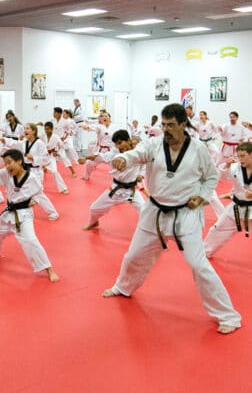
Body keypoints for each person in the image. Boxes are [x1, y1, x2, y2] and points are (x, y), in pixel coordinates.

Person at [101, 104, 241, 334]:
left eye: (171, 125)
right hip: (154, 211)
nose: (166, 129)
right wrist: (124, 159)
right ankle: (123, 286)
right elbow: (137, 154)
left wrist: (202, 197)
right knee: (134, 254)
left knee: (198, 264)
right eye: (163, 124)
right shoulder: (154, 144)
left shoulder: (198, 149)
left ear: (183, 124)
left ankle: (228, 316)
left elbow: (211, 177)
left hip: (185, 213)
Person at [0, 149, 59, 282]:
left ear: (19, 161)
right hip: (8, 213)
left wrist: (34, 201)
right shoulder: (7, 174)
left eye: (9, 162)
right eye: (5, 163)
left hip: (23, 216)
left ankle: (49, 269)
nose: (7, 166)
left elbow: (39, 193)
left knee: (30, 240)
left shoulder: (32, 178)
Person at [80, 129, 145, 230]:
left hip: (131, 190)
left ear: (128, 140)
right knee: (94, 208)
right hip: (116, 189)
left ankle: (146, 232)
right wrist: (86, 157)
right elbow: (101, 156)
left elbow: (144, 164)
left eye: (120, 143)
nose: (119, 146)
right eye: (116, 144)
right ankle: (93, 222)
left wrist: (141, 175)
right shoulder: (115, 153)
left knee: (144, 210)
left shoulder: (139, 152)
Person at [204, 142, 252, 256]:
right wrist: (227, 166)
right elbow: (224, 177)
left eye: (243, 156)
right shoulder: (236, 167)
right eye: (238, 156)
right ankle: (205, 252)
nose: (240, 159)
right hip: (235, 208)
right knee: (217, 229)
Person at [41, 121, 69, 194]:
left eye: (48, 129)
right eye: (45, 129)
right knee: (38, 173)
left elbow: (61, 146)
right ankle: (36, 191)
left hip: (50, 157)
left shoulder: (55, 137)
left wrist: (57, 152)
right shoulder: (42, 136)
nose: (46, 131)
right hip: (42, 157)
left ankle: (63, 188)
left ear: (52, 129)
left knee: (55, 171)